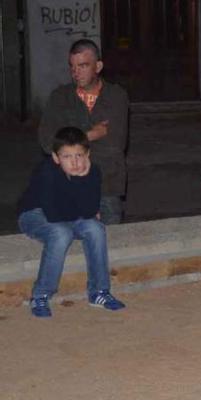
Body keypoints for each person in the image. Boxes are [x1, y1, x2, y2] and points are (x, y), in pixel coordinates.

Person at [17, 127, 126, 318]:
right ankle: (41, 294)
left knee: (96, 229)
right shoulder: (46, 172)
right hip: (34, 214)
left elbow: (90, 211)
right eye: (67, 156)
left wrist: (83, 182)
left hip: (68, 215)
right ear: (56, 157)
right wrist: (80, 194)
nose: (75, 162)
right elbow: (53, 215)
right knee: (61, 233)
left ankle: (99, 292)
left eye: (79, 155)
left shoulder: (93, 172)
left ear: (87, 154)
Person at [38, 39, 129, 225]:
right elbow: (47, 142)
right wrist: (91, 134)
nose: (75, 72)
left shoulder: (116, 95)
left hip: (107, 185)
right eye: (72, 66)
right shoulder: (60, 97)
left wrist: (68, 141)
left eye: (83, 66)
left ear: (98, 66)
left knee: (110, 245)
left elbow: (115, 144)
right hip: (68, 186)